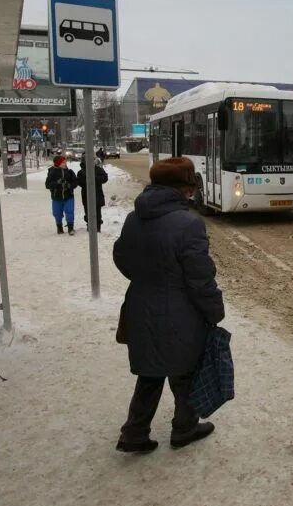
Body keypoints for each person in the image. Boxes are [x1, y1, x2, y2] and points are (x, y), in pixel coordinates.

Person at [113, 157, 225, 454]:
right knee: (185, 371)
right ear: (182, 188)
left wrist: (148, 279)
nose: (191, 193)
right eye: (190, 187)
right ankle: (185, 428)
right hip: (180, 311)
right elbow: (200, 278)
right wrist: (215, 310)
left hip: (139, 305)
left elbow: (122, 259)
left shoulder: (133, 218)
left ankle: (134, 432)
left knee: (149, 373)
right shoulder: (189, 224)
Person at [44, 155, 77, 235]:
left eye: (65, 162)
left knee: (69, 211)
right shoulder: (52, 172)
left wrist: (69, 185)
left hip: (68, 196)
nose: (65, 164)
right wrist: (57, 183)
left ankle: (70, 228)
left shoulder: (70, 172)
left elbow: (75, 183)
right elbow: (47, 185)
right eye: (63, 162)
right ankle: (59, 227)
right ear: (58, 163)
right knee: (57, 213)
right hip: (56, 197)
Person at [78, 157, 109, 232]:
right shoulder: (81, 172)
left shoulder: (98, 169)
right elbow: (79, 182)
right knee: (88, 211)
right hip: (86, 195)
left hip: (97, 194)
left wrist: (94, 178)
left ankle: (98, 227)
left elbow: (105, 178)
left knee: (97, 211)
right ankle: (90, 226)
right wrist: (88, 181)